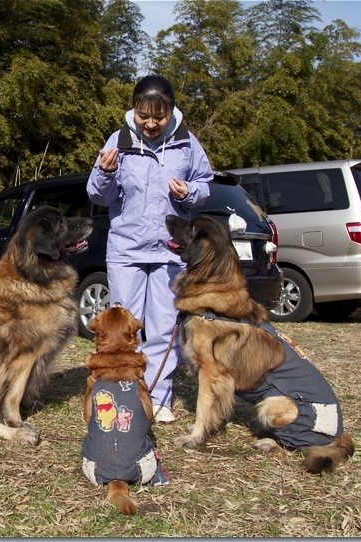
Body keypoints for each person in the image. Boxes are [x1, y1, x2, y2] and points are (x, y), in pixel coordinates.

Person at [86, 75, 213, 423]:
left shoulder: (187, 143)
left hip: (169, 253)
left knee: (162, 328)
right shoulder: (119, 140)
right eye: (144, 115)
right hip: (127, 250)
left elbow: (205, 185)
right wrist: (105, 172)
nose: (152, 123)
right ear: (134, 110)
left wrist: (189, 191)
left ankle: (157, 397)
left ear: (171, 112)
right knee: (122, 329)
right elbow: (98, 195)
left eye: (160, 116)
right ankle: (120, 391)